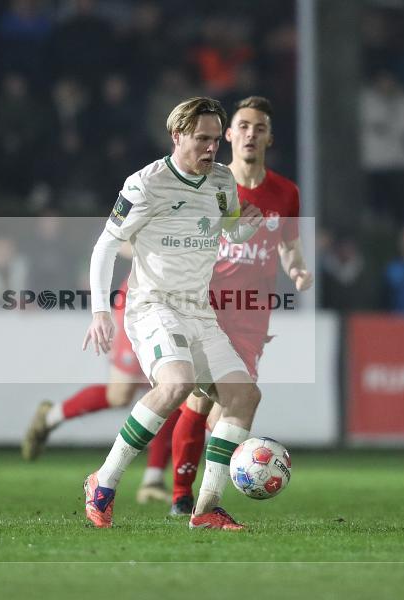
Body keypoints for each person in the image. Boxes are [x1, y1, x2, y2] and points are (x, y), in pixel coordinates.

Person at [81, 96, 264, 530]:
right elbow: (106, 245)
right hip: (153, 306)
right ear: (177, 135)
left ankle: (206, 509)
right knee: (177, 383)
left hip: (199, 311)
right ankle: (104, 481)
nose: (211, 148)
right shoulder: (145, 184)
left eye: (216, 140)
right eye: (202, 139)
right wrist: (100, 310)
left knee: (244, 397)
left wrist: (244, 227)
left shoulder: (222, 180)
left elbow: (227, 227)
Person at [167, 96, 313, 515]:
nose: (251, 134)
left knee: (229, 404)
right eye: (244, 127)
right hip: (207, 308)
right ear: (229, 135)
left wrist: (298, 269)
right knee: (200, 402)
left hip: (252, 318)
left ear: (269, 138)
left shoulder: (286, 193)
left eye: (259, 128)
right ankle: (182, 495)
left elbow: (289, 246)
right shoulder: (210, 184)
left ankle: (200, 496)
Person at [22, 251, 181, 505]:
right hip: (139, 302)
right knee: (119, 395)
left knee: (172, 387)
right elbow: (118, 243)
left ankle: (153, 479)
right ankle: (50, 416)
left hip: (179, 303)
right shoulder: (152, 221)